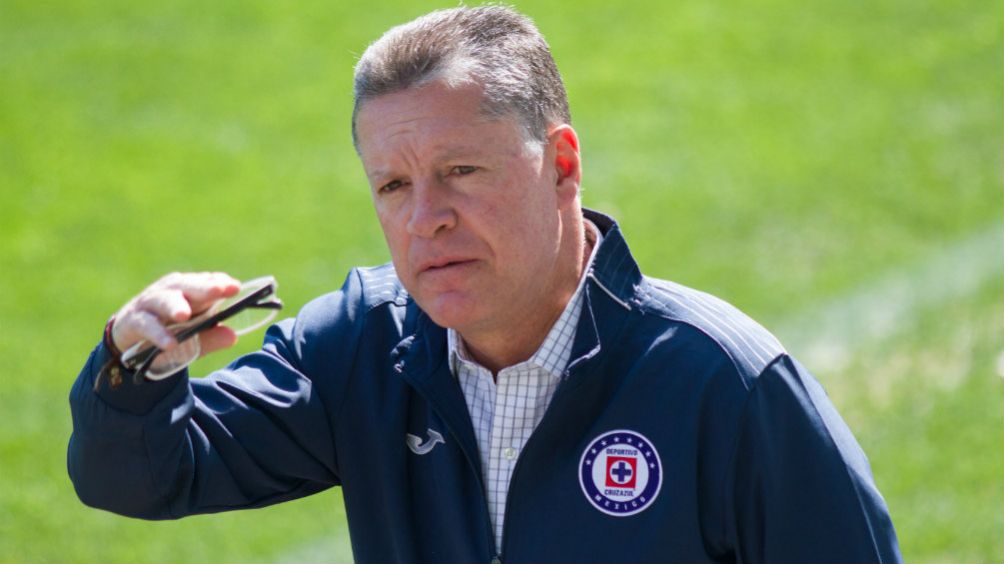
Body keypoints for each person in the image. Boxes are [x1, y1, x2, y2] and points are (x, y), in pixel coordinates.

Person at [68, 6, 902, 563]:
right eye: (393, 186)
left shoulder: (726, 384)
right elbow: (140, 476)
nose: (426, 218)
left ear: (562, 164)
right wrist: (133, 365)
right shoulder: (359, 349)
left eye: (461, 170)